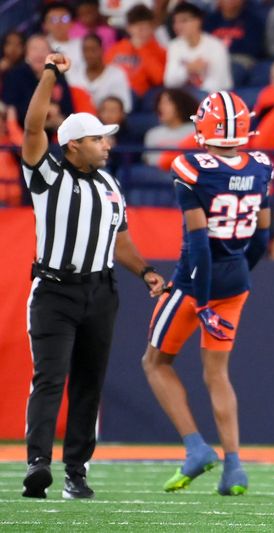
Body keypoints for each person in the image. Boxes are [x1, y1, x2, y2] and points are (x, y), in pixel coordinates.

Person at [21, 52, 165, 499]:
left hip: (101, 291)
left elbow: (119, 239)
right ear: (73, 144)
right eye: (98, 139)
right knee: (51, 376)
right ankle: (37, 464)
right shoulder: (48, 175)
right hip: (54, 291)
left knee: (89, 383)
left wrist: (145, 271)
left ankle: (76, 470)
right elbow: (31, 129)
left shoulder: (110, 185)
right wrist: (50, 72)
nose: (107, 145)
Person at [142, 90, 273, 496]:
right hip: (235, 282)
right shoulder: (261, 166)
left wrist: (200, 300)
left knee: (155, 362)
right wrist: (234, 274)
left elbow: (198, 241)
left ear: (203, 125)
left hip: (195, 281)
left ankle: (196, 448)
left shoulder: (191, 167)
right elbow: (263, 237)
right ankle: (234, 466)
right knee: (217, 373)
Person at [164, 1, 232, 94]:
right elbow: (169, 81)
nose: (178, 26)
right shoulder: (174, 46)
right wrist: (188, 69)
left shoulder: (216, 45)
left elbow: (218, 82)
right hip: (185, 97)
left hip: (215, 97)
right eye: (175, 22)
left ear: (198, 21)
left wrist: (196, 93)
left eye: (183, 21)